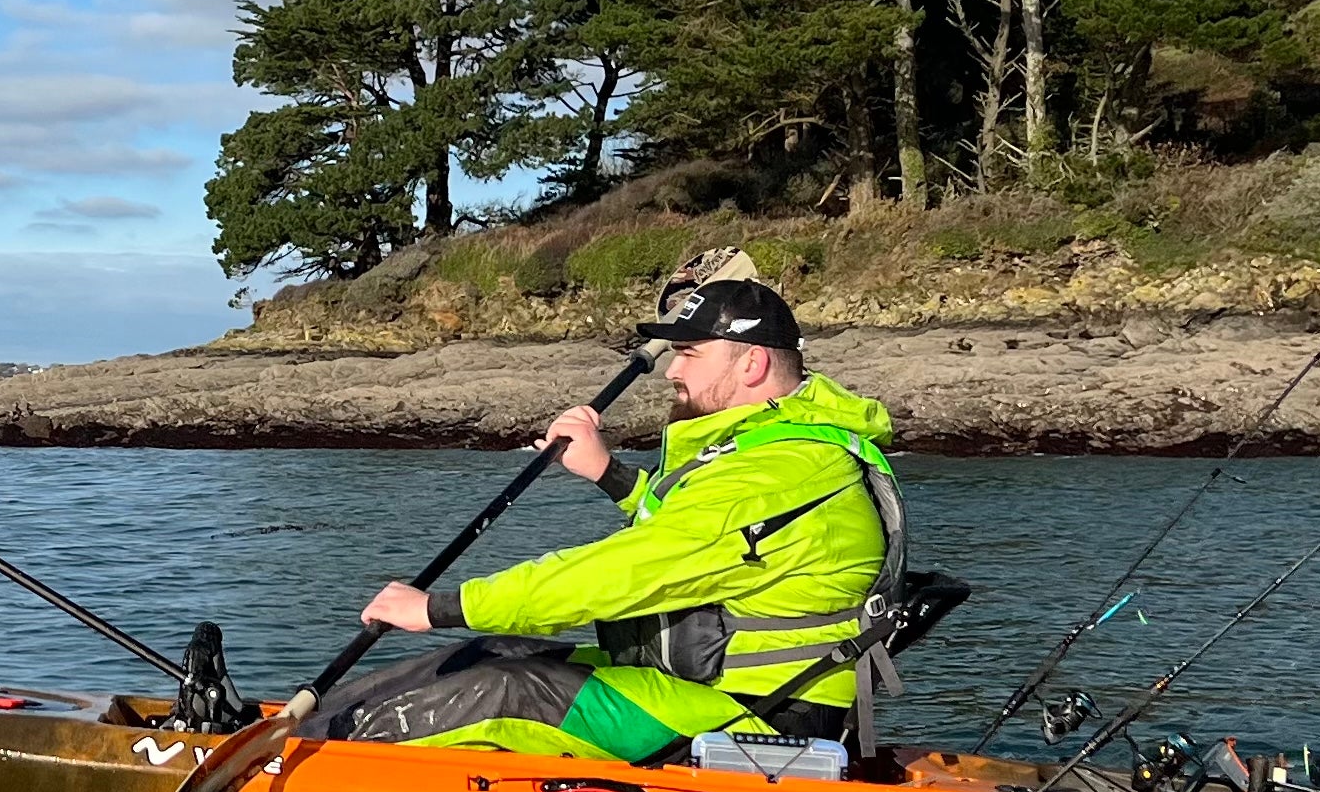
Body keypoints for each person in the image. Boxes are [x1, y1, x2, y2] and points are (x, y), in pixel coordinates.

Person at [312, 278, 904, 762]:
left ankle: (318, 757)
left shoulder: (784, 469)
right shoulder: (775, 446)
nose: (673, 371)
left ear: (751, 364)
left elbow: (625, 571)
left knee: (507, 691)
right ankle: (318, 721)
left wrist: (440, 609)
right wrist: (607, 473)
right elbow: (696, 532)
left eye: (691, 355)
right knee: (498, 651)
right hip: (700, 685)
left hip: (760, 711)